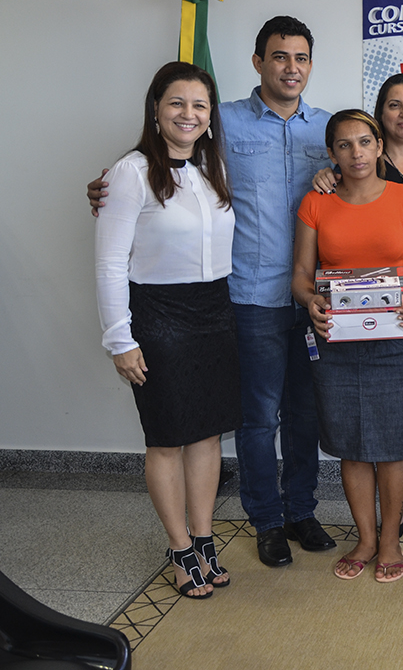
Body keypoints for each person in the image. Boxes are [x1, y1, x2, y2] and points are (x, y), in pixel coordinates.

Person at [89, 17, 338, 567]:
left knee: (305, 413)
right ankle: (266, 520)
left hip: (313, 297)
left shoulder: (329, 130)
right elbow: (161, 174)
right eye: (279, 56)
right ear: (258, 62)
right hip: (247, 297)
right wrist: (105, 190)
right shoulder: (219, 123)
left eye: (300, 57)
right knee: (257, 417)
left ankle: (301, 510)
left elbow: (364, 180)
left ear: (310, 65)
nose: (290, 67)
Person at [94, 61, 242, 599]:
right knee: (165, 437)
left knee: (206, 433)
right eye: (177, 103)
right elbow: (110, 262)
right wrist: (120, 338)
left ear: (210, 115)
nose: (188, 114)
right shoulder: (129, 173)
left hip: (214, 310)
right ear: (156, 109)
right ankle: (179, 547)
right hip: (158, 316)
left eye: (199, 105)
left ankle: (203, 539)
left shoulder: (211, 166)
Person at [291, 109, 403, 582]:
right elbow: (301, 274)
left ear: (379, 146)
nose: (356, 153)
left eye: (364, 142)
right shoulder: (315, 203)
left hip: (395, 338)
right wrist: (311, 300)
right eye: (344, 145)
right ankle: (366, 539)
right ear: (331, 153)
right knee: (351, 447)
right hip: (336, 343)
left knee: (394, 447)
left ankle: (390, 540)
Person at [312, 73, 403, 542]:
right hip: (361, 314)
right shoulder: (349, 172)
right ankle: (373, 530)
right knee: (373, 413)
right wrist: (325, 176)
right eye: (394, 104)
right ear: (380, 118)